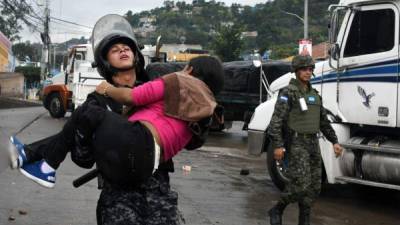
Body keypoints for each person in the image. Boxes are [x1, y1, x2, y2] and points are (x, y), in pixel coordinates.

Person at [9, 14, 224, 225]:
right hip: (119, 201)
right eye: (114, 49)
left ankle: (33, 155)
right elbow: (83, 158)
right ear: (104, 61)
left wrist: (202, 115)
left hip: (159, 197)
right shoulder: (97, 103)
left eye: (127, 47)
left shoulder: (156, 88)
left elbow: (194, 140)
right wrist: (85, 136)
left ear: (136, 55)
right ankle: (35, 156)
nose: (122, 50)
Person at [267, 54, 343, 225]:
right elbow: (276, 122)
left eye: (310, 69)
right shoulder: (288, 93)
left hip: (313, 143)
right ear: (296, 71)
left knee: (314, 187)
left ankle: (304, 220)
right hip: (296, 143)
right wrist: (278, 146)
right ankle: (277, 209)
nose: (308, 72)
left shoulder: (314, 94)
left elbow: (323, 121)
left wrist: (335, 141)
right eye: (304, 69)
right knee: (300, 184)